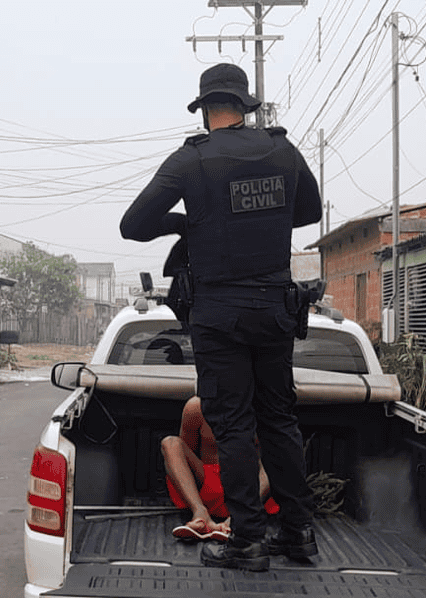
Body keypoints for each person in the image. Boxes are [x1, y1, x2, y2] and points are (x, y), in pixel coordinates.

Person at [120, 63, 322, 571]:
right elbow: (309, 212)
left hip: (220, 314)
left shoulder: (192, 159)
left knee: (231, 426)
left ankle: (248, 541)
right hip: (275, 309)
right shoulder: (282, 149)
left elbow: (134, 224)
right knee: (278, 420)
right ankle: (299, 534)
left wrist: (188, 222)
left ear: (205, 109)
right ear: (246, 106)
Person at [162, 396, 279, 542]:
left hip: (250, 489)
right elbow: (188, 451)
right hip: (209, 484)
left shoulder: (261, 407)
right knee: (170, 443)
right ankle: (200, 515)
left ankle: (237, 519)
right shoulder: (197, 407)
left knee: (277, 453)